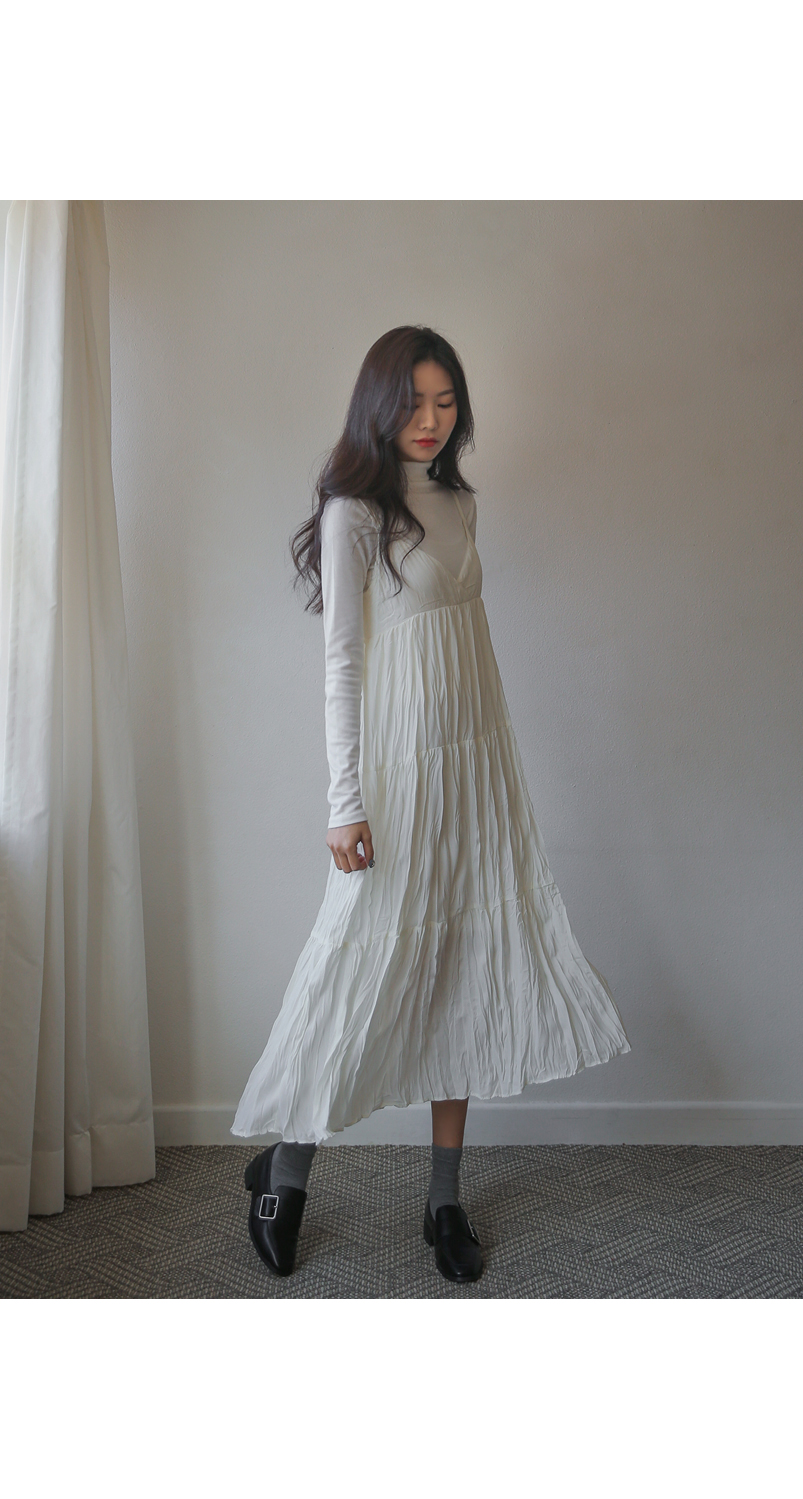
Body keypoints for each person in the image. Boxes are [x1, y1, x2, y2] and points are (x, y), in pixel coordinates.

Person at [232, 325, 631, 1285]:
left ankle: (443, 1199)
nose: (429, 419)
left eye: (445, 401)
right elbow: (342, 666)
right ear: (378, 404)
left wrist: (495, 773)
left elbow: (467, 649)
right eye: (412, 401)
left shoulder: (459, 503)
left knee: (464, 964)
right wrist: (345, 802)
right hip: (396, 774)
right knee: (352, 966)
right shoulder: (354, 513)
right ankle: (286, 1170)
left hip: (474, 769)